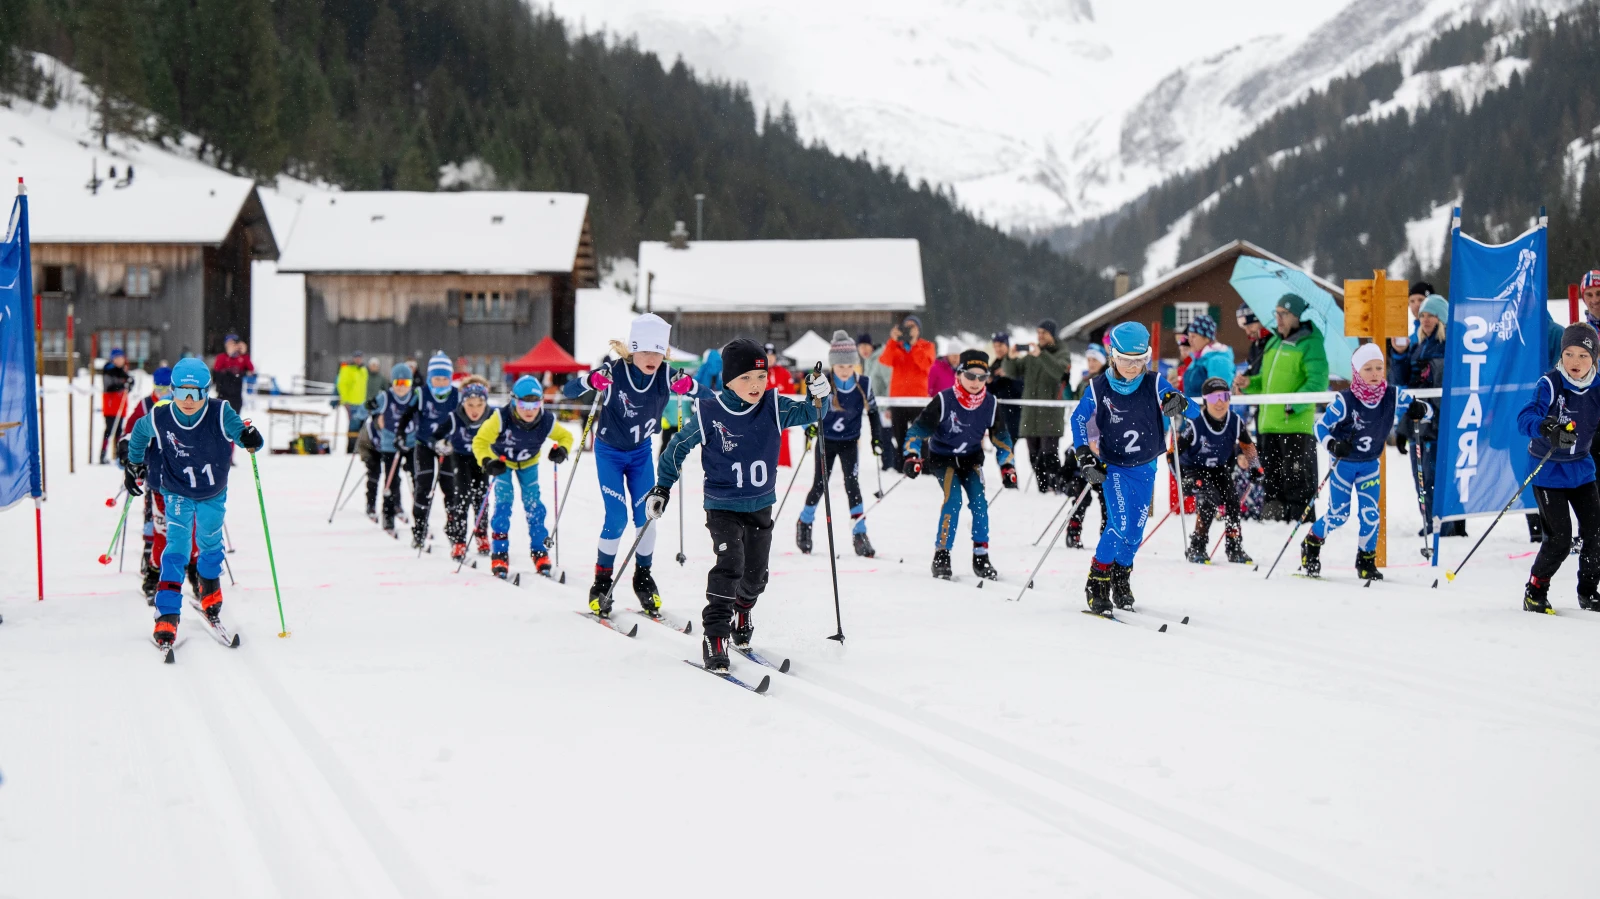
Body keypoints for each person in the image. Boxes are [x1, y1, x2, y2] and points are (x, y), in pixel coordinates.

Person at [646, 338, 829, 673]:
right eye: (746, 378)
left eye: (761, 377)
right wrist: (662, 486)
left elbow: (811, 411)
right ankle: (715, 635)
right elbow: (676, 447)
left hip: (760, 505)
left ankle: (743, 609)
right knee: (730, 563)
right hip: (723, 505)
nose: (756, 385)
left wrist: (820, 393)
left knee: (756, 577)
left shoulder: (773, 406)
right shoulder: (710, 412)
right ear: (728, 379)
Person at [123, 358, 265, 650]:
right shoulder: (161, 415)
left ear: (206, 391)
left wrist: (251, 438)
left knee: (210, 543)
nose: (188, 400)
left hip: (212, 492)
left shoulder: (220, 412)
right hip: (176, 491)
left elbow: (243, 435)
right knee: (176, 549)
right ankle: (167, 614)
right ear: (172, 391)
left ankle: (210, 593)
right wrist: (134, 463)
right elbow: (138, 432)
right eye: (181, 392)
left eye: (196, 393)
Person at [561, 314, 697, 617]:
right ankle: (601, 581)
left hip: (640, 454)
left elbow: (708, 396)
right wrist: (589, 381)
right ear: (632, 349)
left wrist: (690, 386)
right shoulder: (613, 371)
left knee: (647, 516)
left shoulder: (667, 375)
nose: (651, 358)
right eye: (645, 351)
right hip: (609, 453)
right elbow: (567, 391)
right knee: (616, 517)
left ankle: (643, 577)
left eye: (657, 351)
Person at [1070, 322, 1200, 614]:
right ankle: (1098, 578)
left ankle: (1121, 575)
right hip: (1113, 465)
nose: (1132, 367)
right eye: (1126, 359)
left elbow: (1194, 410)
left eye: (1139, 360)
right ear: (1111, 354)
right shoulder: (1097, 387)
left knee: (1135, 532)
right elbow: (1079, 419)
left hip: (1145, 466)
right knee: (1118, 524)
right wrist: (1083, 453)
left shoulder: (1154, 383)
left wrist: (1178, 402)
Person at [1300, 344, 1433, 581]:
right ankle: (1312, 543)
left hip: (1370, 464)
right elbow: (1319, 426)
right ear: (1356, 372)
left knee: (1371, 514)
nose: (1374, 373)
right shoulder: (1345, 400)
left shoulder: (1392, 395)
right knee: (1339, 515)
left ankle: (1366, 560)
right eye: (1368, 369)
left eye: (1379, 368)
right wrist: (1332, 444)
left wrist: (1419, 408)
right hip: (1344, 464)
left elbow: (1428, 411)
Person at [903, 348, 1017, 580]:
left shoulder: (990, 403)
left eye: (982, 377)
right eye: (970, 376)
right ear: (959, 375)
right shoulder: (945, 400)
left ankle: (981, 555)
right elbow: (917, 430)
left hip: (970, 459)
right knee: (953, 501)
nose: (976, 382)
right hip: (942, 459)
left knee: (979, 503)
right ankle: (942, 555)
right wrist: (912, 455)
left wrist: (1007, 466)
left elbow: (1002, 439)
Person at [1517, 323, 1600, 612]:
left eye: (1583, 356)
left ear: (1594, 359)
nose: (1575, 362)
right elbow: (1525, 417)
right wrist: (1546, 426)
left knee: (1595, 531)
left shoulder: (1597, 386)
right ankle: (1535, 590)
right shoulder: (1551, 383)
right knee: (1561, 538)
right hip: (1548, 469)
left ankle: (1588, 591)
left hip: (1581, 468)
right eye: (1569, 354)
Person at [1235, 293, 1329, 522]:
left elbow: (1317, 382)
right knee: (1272, 484)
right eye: (1276, 313)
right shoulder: (1274, 342)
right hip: (1268, 425)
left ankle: (1300, 527)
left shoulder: (1311, 343)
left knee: (1297, 482)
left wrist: (1292, 404)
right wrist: (1249, 384)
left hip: (1295, 425)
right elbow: (1266, 384)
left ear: (1296, 315)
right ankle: (1274, 525)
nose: (1278, 318)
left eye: (1284, 314)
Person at [472, 376, 573, 579]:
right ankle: (499, 553)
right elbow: (480, 441)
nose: (529, 409)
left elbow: (566, 437)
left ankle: (539, 552)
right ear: (513, 401)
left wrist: (562, 450)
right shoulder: (500, 418)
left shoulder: (546, 420)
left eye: (535, 403)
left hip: (529, 464)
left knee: (534, 505)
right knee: (504, 504)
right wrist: (487, 461)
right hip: (503, 464)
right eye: (523, 403)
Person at [798, 331, 885, 559]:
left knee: (852, 484)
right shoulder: (821, 382)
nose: (845, 370)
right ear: (832, 365)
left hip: (849, 442)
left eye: (849, 366)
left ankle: (860, 533)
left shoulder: (863, 384)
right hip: (826, 441)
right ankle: (804, 522)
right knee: (820, 484)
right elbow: (807, 411)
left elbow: (874, 413)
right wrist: (810, 429)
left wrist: (877, 438)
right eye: (840, 367)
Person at [1390, 294, 1461, 538]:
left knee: (1436, 478)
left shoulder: (1451, 344)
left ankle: (1444, 524)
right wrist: (1399, 355)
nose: (1425, 319)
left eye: (1431, 315)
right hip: (1418, 423)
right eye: (1422, 315)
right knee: (1421, 478)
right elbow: (1403, 384)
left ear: (1442, 318)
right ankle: (1431, 520)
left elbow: (1442, 391)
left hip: (1438, 425)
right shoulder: (1419, 346)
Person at [1177, 377, 1261, 564]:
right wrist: (1182, 479)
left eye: (1224, 396)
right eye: (1214, 398)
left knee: (1232, 500)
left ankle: (1234, 546)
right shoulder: (1195, 423)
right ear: (1205, 400)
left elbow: (1247, 445)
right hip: (1194, 468)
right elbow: (1172, 455)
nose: (1220, 402)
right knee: (1209, 499)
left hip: (1218, 467)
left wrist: (1255, 466)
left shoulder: (1235, 421)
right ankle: (1197, 546)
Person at [118, 365, 172, 600]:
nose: (162, 393)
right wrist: (126, 448)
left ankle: (190, 561)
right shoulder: (146, 405)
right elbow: (130, 429)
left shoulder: (181, 404)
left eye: (166, 388)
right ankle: (150, 550)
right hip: (152, 468)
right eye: (158, 388)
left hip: (177, 469)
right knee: (153, 513)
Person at [429, 377, 494, 562]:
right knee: (462, 496)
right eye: (470, 404)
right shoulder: (454, 417)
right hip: (460, 458)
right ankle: (459, 540)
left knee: (481, 497)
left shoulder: (491, 417)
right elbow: (436, 436)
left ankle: (481, 535)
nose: (475, 410)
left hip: (482, 459)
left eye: (479, 404)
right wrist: (440, 443)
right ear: (463, 402)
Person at [1003, 319, 1070, 493]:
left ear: (1052, 335)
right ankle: (1042, 488)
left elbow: (1058, 372)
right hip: (1030, 414)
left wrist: (1041, 354)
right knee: (1033, 456)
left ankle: (1056, 487)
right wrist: (1010, 358)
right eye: (1038, 333)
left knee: (1049, 454)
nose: (1040, 336)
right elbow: (1012, 371)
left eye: (1044, 333)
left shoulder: (1061, 352)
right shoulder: (1033, 356)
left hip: (1050, 414)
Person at [402, 352, 461, 550]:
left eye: (445, 378)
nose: (441, 382)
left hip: (447, 447)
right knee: (424, 487)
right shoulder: (422, 393)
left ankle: (453, 528)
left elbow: (463, 420)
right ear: (430, 378)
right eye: (437, 378)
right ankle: (419, 529)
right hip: (424, 445)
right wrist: (400, 434)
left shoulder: (456, 395)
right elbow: (407, 415)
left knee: (450, 488)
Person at [1061, 345, 1110, 547]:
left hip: (1104, 443)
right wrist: (1064, 383)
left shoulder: (1108, 382)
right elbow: (1072, 401)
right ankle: (1073, 531)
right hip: (1085, 439)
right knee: (1081, 494)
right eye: (1088, 360)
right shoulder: (1084, 382)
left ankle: (1107, 536)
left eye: (1095, 360)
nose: (1091, 364)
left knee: (1107, 497)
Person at [365, 363, 419, 534]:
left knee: (417, 478)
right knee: (391, 479)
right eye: (398, 383)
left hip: (411, 443)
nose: (401, 388)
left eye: (406, 383)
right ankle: (388, 515)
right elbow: (370, 406)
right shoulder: (386, 397)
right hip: (390, 444)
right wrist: (371, 407)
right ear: (392, 383)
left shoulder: (416, 397)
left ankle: (419, 516)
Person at [879, 315, 937, 471]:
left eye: (913, 327)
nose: (909, 330)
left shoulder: (927, 346)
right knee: (900, 435)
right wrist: (892, 340)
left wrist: (914, 345)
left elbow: (925, 365)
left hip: (918, 399)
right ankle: (901, 466)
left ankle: (925, 467)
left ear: (919, 330)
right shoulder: (895, 346)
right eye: (907, 327)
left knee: (921, 435)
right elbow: (885, 361)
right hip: (898, 399)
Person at [1180, 315, 1234, 397]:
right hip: (1194, 408)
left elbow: (1219, 395)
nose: (1190, 340)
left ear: (1207, 338)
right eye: (1189, 336)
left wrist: (1205, 408)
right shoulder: (1197, 360)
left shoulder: (1218, 360)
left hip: (1206, 409)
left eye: (1193, 336)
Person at [988, 332, 1023, 446]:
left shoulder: (1016, 362)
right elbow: (991, 391)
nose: (998, 349)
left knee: (1009, 445)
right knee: (1001, 447)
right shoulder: (993, 365)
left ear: (1007, 346)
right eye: (995, 346)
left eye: (1000, 346)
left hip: (1014, 412)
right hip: (998, 412)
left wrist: (1008, 375)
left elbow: (1022, 387)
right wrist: (989, 382)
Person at [99, 348, 131, 463]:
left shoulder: (122, 371)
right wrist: (123, 386)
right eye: (117, 358)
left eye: (121, 358)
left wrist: (130, 383)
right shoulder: (109, 370)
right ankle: (102, 454)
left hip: (120, 405)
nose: (119, 361)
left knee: (118, 431)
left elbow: (127, 382)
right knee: (109, 430)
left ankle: (118, 454)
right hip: (110, 405)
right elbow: (110, 386)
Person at [336, 351, 369, 453]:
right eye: (356, 357)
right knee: (353, 426)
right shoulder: (347, 369)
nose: (358, 360)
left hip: (362, 403)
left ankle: (361, 448)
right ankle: (351, 449)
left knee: (363, 427)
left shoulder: (363, 370)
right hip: (352, 403)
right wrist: (345, 401)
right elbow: (342, 385)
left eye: (360, 357)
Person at [212, 334, 254, 414]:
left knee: (235, 416)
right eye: (230, 344)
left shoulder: (242, 358)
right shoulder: (222, 357)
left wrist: (244, 353)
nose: (233, 346)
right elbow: (216, 372)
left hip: (236, 395)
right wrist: (229, 355)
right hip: (223, 394)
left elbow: (251, 370)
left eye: (234, 344)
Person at [1237, 305, 1270, 377]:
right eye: (1244, 328)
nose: (1248, 332)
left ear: (1262, 321)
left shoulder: (1273, 342)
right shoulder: (1255, 345)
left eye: (1250, 326)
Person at [858, 333, 892, 401]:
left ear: (871, 345)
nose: (863, 349)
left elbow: (890, 383)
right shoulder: (867, 361)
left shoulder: (882, 359)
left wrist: (886, 406)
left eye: (865, 345)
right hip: (872, 407)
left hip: (882, 407)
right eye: (860, 347)